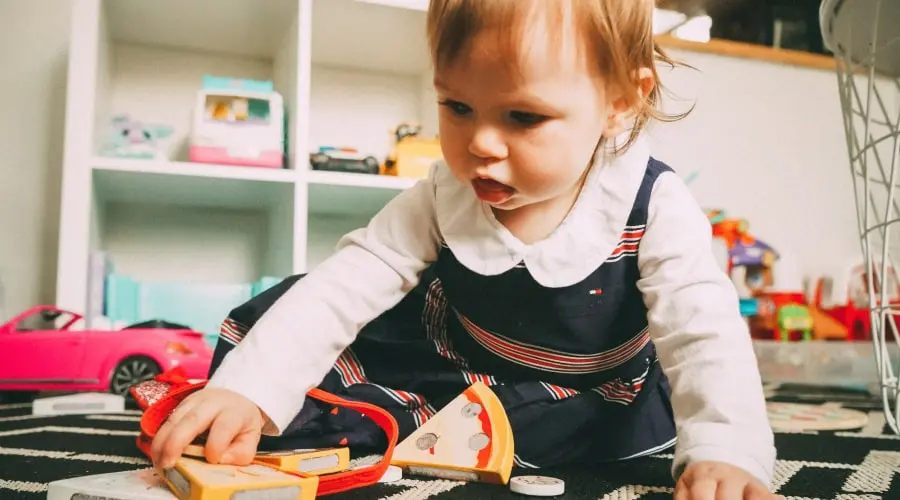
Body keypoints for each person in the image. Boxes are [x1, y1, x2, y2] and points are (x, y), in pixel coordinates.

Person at [150, 0, 778, 498]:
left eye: (523, 117)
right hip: (458, 364)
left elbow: (702, 328)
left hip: (590, 392)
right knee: (302, 340)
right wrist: (251, 389)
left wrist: (727, 449)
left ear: (620, 102)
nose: (480, 143)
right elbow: (348, 280)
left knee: (529, 428)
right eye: (456, 106)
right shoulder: (445, 192)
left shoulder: (651, 203)